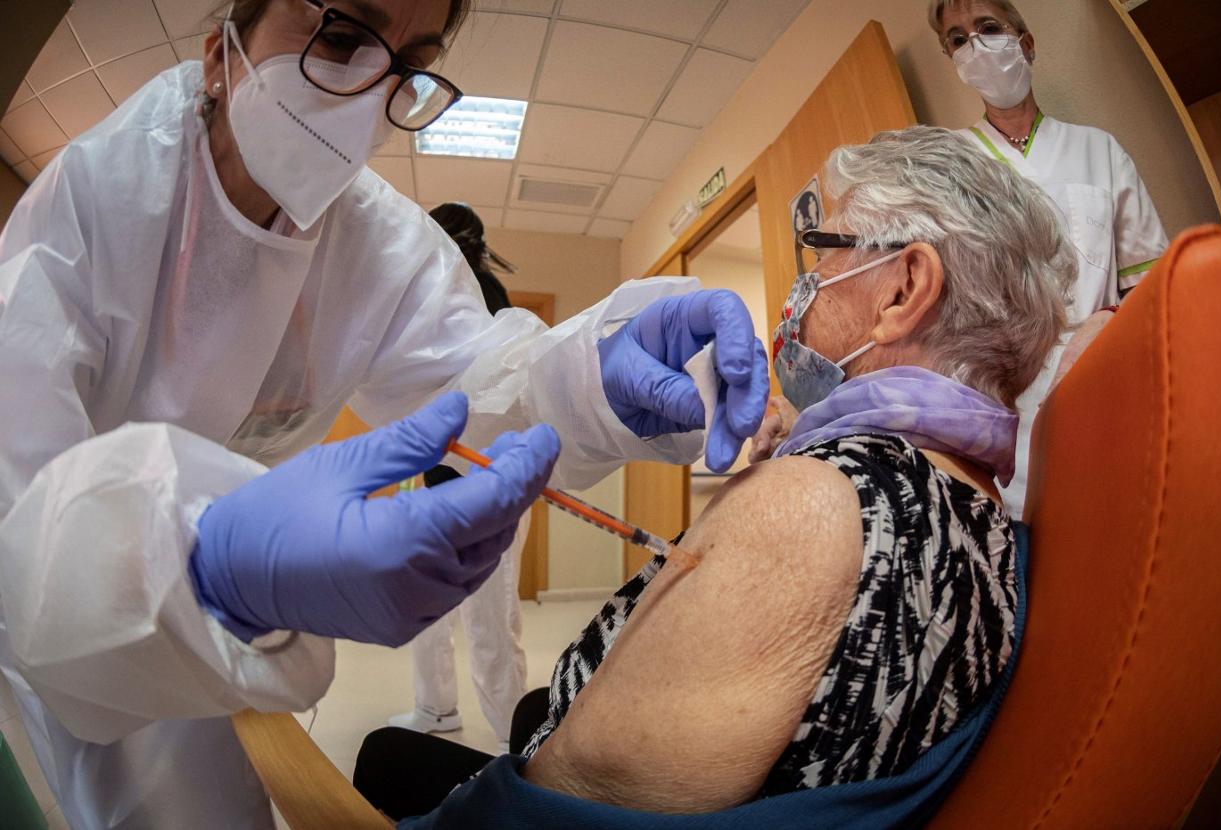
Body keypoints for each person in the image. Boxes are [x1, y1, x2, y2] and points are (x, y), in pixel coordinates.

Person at [0, 1, 769, 826]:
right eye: (339, 39)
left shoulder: (378, 243)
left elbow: (476, 383)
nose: (371, 96)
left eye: (408, 68)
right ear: (222, 53)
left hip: (228, 600)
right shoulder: (98, 197)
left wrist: (588, 376)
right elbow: (18, 509)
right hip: (68, 589)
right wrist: (207, 563)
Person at [353, 126, 1077, 825]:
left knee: (383, 755)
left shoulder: (811, 504)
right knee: (522, 710)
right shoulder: (977, 502)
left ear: (902, 290)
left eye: (818, 257)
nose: (801, 290)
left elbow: (555, 802)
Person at [929, 0, 1169, 518]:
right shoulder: (951, 165)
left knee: (1123, 528)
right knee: (1033, 555)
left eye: (988, 28)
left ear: (1026, 42)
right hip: (1003, 409)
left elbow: (1152, 290)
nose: (975, 46)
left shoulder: (1098, 151)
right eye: (957, 39)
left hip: (1103, 380)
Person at [388, 203, 531, 746]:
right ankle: (435, 709)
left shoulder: (487, 297)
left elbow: (497, 401)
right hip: (435, 486)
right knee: (424, 606)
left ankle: (510, 741)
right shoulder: (424, 294)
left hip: (488, 489)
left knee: (490, 621)